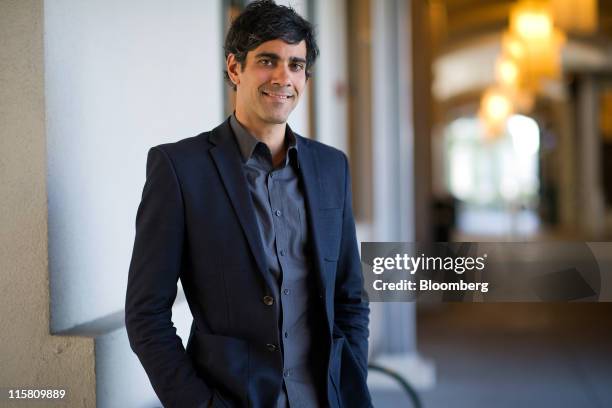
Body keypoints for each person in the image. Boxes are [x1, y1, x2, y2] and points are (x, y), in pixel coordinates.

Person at [125, 1, 372, 407]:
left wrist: (349, 380)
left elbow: (349, 297)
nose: (283, 76)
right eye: (267, 60)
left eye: (296, 64)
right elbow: (145, 314)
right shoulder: (179, 169)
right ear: (235, 68)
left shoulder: (332, 168)